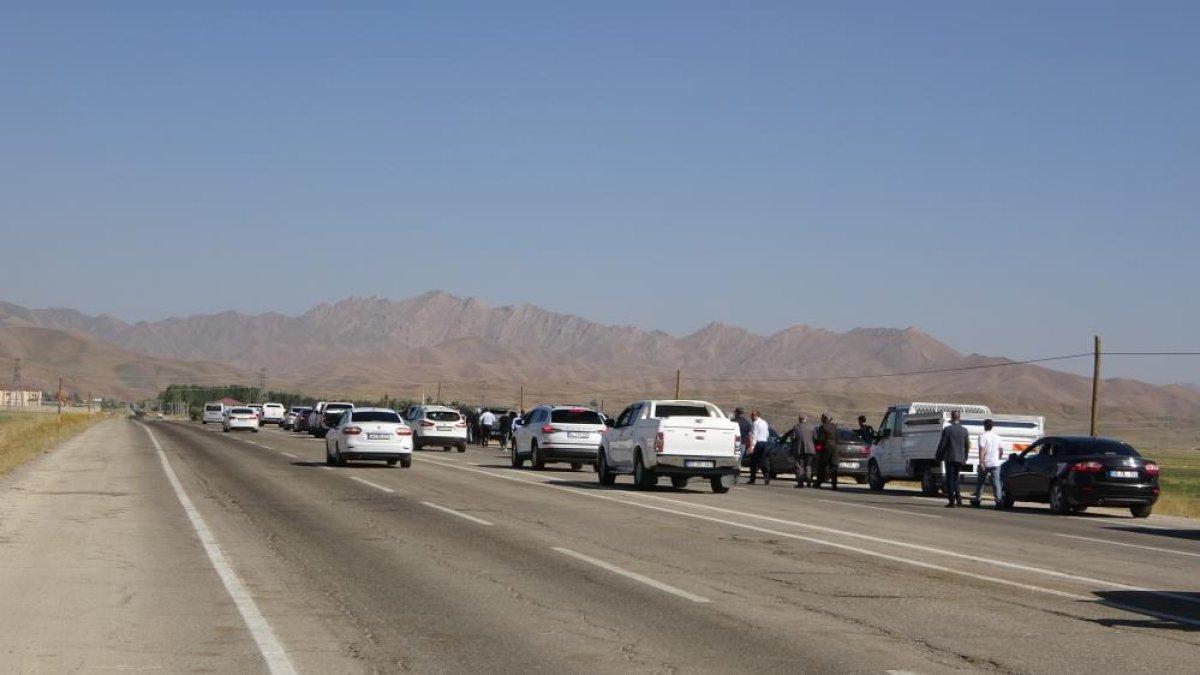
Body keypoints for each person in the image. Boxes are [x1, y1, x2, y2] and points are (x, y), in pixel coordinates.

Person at [934, 410, 970, 507]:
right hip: (960, 458)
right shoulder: (964, 430)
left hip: (949, 457)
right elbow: (967, 446)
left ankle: (951, 500)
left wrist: (938, 456)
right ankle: (958, 499)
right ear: (959, 418)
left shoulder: (948, 430)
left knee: (950, 479)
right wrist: (965, 458)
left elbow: (943, 444)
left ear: (952, 417)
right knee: (955, 478)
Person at [971, 418, 1004, 508]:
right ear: (992, 426)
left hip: (985, 462)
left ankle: (977, 500)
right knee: (996, 483)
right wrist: (999, 457)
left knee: (981, 482)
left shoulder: (982, 436)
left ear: (984, 426)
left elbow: (981, 450)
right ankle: (999, 500)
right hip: (995, 463)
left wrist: (981, 461)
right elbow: (1001, 449)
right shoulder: (997, 437)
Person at [815, 413, 839, 490]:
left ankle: (818, 482)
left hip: (826, 447)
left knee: (822, 465)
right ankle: (834, 484)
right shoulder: (834, 427)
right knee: (833, 465)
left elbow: (820, 439)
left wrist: (818, 448)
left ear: (824, 419)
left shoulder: (823, 427)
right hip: (834, 447)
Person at [792, 413, 817, 488]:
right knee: (808, 465)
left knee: (800, 466)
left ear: (799, 419)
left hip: (799, 449)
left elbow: (793, 437)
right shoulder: (811, 427)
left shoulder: (796, 426)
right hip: (810, 449)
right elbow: (815, 437)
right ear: (806, 418)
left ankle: (800, 483)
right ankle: (809, 482)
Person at [748, 410, 771, 485]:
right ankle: (766, 477)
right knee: (764, 461)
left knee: (753, 462)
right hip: (765, 443)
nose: (751, 417)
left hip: (758, 443)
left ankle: (752, 479)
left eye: (752, 416)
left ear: (755, 416)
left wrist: (752, 447)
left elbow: (754, 435)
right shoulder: (764, 422)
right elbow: (767, 434)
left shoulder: (755, 423)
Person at [732, 408, 752, 483]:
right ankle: (736, 478)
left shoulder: (733, 421)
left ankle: (731, 476)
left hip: (733, 443)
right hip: (743, 444)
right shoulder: (747, 423)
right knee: (739, 461)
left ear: (736, 413)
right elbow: (750, 435)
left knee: (732, 460)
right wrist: (750, 446)